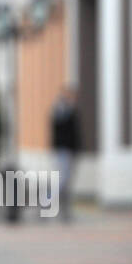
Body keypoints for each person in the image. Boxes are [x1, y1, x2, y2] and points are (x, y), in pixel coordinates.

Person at [49, 85, 80, 221]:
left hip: (69, 150)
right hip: (63, 150)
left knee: (66, 182)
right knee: (62, 181)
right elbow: (62, 132)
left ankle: (65, 210)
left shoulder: (71, 111)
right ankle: (47, 201)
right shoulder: (62, 111)